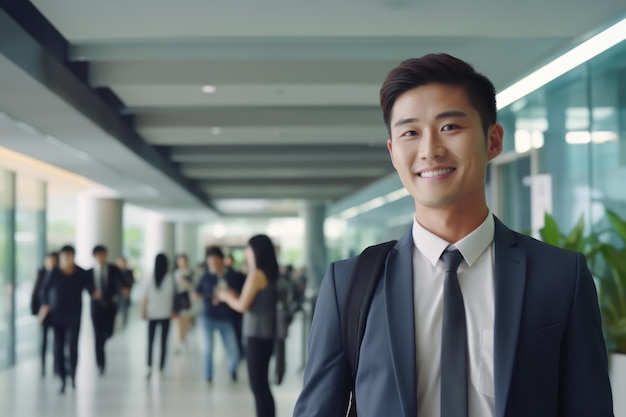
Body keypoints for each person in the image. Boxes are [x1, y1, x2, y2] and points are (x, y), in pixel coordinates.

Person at [292, 53, 613, 417]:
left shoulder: (559, 275)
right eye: (410, 133)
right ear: (394, 153)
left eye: (450, 127)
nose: (430, 150)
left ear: (493, 140)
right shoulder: (349, 284)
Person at [216, 235, 278, 417]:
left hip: (256, 335)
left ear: (256, 251)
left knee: (258, 387)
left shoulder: (256, 274)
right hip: (266, 334)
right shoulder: (269, 273)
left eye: (248, 249)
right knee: (262, 386)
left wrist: (226, 296)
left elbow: (242, 305)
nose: (246, 253)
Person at [39, 245, 99, 393]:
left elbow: (90, 288)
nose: (66, 260)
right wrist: (46, 304)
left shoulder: (80, 273)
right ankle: (62, 378)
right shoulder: (54, 272)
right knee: (58, 347)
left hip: (74, 315)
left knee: (72, 346)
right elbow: (44, 290)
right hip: (57, 316)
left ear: (73, 257)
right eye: (64, 257)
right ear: (60, 257)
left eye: (69, 256)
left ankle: (73, 375)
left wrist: (96, 293)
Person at [194, 246, 241, 384]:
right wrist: (209, 296)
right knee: (207, 349)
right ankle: (208, 377)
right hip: (208, 317)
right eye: (210, 261)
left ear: (222, 260)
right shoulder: (206, 276)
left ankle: (232, 369)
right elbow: (197, 293)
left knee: (233, 350)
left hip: (226, 317)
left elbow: (239, 293)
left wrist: (229, 294)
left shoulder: (231, 275)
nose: (212, 263)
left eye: (215, 260)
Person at [88, 245, 128, 375]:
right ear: (94, 257)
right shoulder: (89, 272)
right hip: (96, 308)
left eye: (103, 255)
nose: (101, 258)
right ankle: (100, 363)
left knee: (109, 332)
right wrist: (93, 293)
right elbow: (85, 286)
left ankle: (102, 343)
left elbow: (123, 281)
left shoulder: (113, 269)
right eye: (98, 255)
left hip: (110, 306)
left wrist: (123, 289)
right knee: (97, 335)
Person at [142, 253, 176, 379]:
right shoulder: (169, 278)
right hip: (165, 314)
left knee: (150, 342)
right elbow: (173, 296)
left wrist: (143, 311)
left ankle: (149, 367)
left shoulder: (150, 276)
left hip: (153, 313)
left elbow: (145, 296)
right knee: (163, 342)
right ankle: (160, 369)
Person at [30, 251, 59, 377]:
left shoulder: (59, 275)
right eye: (49, 261)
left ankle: (56, 366)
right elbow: (36, 294)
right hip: (44, 312)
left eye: (53, 261)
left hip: (57, 312)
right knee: (44, 340)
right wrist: (40, 310)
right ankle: (43, 366)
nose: (51, 264)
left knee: (57, 341)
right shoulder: (41, 275)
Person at [173, 253, 194, 353]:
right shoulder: (175, 273)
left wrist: (185, 282)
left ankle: (182, 338)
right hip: (177, 299)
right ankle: (178, 343)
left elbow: (193, 287)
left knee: (185, 321)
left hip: (185, 298)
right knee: (178, 323)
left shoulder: (189, 273)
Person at [115, 256, 135, 328]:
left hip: (126, 295)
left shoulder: (128, 272)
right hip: (118, 295)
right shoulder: (115, 272)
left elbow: (131, 281)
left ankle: (124, 326)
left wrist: (127, 290)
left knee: (125, 311)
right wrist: (120, 289)